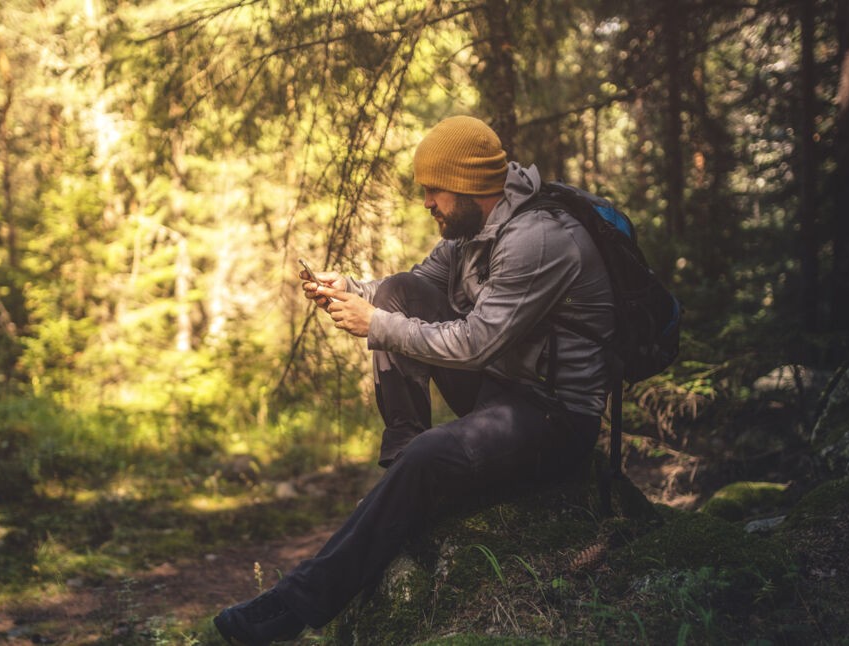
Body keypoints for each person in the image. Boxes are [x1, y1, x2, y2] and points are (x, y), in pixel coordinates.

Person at [213, 115, 614, 645]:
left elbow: (475, 343)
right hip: (503, 389)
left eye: (434, 190)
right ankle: (408, 466)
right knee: (399, 292)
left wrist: (374, 324)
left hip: (556, 416)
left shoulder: (537, 239)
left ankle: (292, 606)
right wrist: (351, 288)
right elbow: (413, 288)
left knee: (431, 450)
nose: (426, 201)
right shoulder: (475, 228)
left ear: (470, 185)